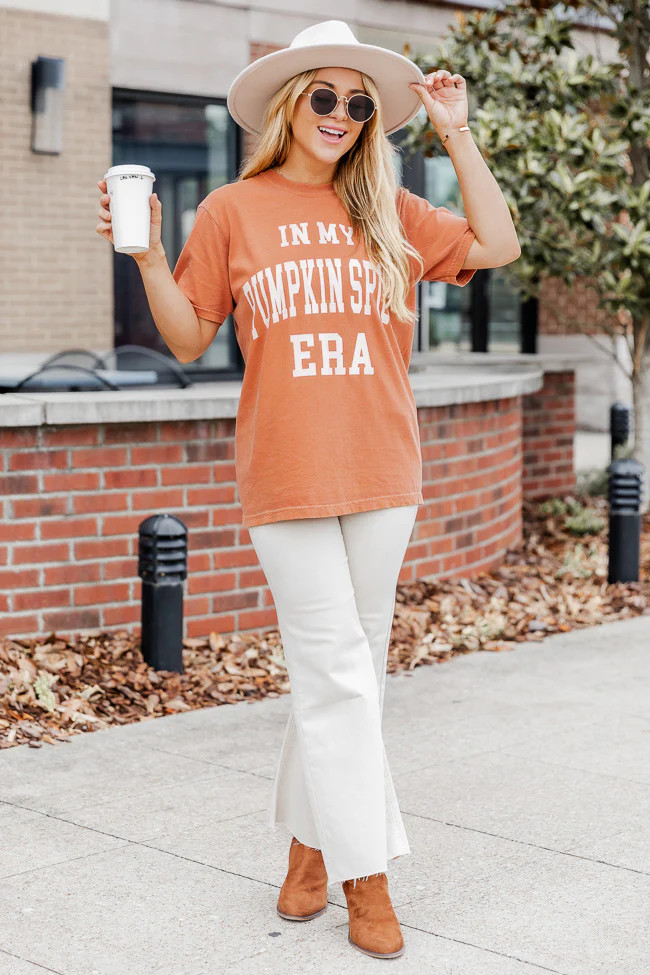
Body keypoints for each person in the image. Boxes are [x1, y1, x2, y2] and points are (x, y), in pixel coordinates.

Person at [95, 18, 520, 961]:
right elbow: (188, 339)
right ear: (291, 104)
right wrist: (150, 258)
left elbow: (499, 242)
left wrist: (454, 132)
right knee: (334, 672)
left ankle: (307, 849)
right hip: (285, 471)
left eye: (359, 104)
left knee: (354, 674)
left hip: (383, 469)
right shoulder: (232, 210)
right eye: (324, 96)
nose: (341, 114)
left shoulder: (390, 210)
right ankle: (369, 877)